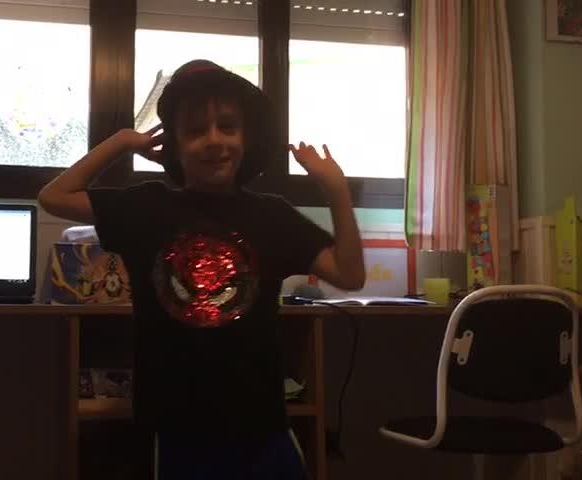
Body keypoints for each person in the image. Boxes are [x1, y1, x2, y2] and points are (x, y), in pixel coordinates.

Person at [38, 59, 365, 479]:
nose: (214, 140)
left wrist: (335, 188)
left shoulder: (273, 216)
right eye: (195, 130)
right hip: (175, 427)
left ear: (246, 138)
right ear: (174, 144)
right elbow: (54, 196)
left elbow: (349, 274)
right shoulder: (146, 208)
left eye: (227, 127)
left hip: (261, 423)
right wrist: (121, 141)